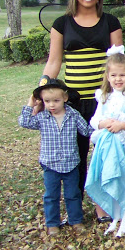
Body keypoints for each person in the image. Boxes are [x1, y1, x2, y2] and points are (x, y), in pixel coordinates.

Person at [41, 0, 123, 222]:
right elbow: (54, 62)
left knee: (105, 155)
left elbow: (119, 61)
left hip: (105, 102)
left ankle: (105, 206)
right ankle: (74, 211)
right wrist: (41, 90)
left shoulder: (110, 22)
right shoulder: (61, 24)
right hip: (73, 104)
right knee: (74, 156)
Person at [18, 78, 94, 236]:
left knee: (72, 194)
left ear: (65, 98)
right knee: (51, 195)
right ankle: (52, 223)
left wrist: (101, 124)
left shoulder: (73, 115)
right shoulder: (42, 117)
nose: (52, 105)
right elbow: (24, 122)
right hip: (50, 164)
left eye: (56, 100)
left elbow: (86, 131)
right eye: (47, 101)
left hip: (71, 163)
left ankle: (75, 220)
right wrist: (31, 102)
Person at [84, 50, 125, 238]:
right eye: (113, 75)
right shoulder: (104, 97)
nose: (118, 79)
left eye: (122, 75)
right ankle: (116, 216)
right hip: (107, 147)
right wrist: (103, 123)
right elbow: (94, 121)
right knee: (112, 179)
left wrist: (123, 125)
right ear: (107, 76)